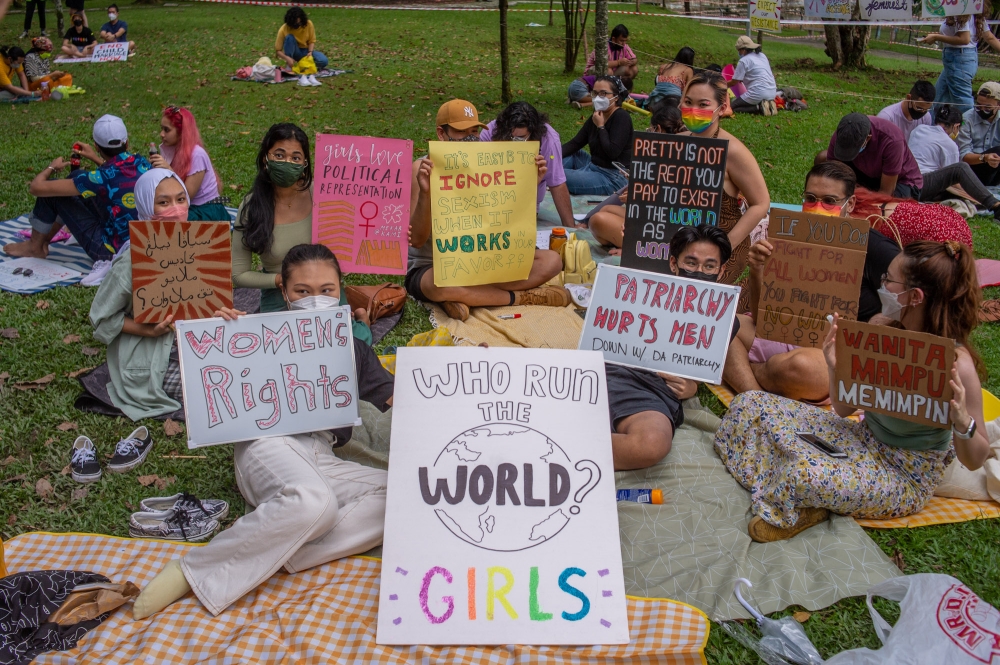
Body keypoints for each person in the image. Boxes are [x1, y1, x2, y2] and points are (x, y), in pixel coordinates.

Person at [131, 243, 396, 620]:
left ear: (340, 290)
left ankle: (280, 550)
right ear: (285, 293)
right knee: (312, 502)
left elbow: (396, 398)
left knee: (400, 497)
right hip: (265, 445)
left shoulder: (353, 349)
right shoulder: (248, 333)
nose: (315, 300)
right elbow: (208, 369)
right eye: (302, 291)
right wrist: (213, 331)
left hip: (323, 452)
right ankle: (192, 571)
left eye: (326, 290)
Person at [716, 239, 989, 542]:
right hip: (859, 440)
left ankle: (801, 498)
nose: (881, 285)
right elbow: (845, 410)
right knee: (751, 404)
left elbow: (976, 459)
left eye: (888, 280)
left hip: (902, 476)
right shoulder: (881, 331)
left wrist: (963, 422)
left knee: (802, 474)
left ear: (914, 296)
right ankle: (807, 491)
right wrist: (836, 367)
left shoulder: (955, 363)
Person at [723, 161, 900, 402]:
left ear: (851, 204)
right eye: (810, 198)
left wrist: (882, 323)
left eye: (829, 201)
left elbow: (914, 298)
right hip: (785, 334)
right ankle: (758, 399)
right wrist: (757, 270)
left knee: (802, 368)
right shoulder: (790, 236)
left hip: (832, 353)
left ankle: (754, 379)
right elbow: (763, 317)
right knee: (718, 326)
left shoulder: (876, 248)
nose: (818, 207)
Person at [406, 99, 568, 322]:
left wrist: (529, 184)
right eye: (462, 132)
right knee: (438, 285)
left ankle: (469, 297)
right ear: (441, 134)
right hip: (435, 266)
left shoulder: (489, 165)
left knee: (552, 261)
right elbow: (416, 239)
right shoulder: (423, 168)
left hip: (483, 262)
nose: (471, 138)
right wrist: (426, 193)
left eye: (474, 131)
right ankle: (519, 298)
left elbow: (509, 222)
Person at [231, 123, 373, 343]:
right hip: (279, 294)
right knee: (282, 347)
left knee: (349, 346)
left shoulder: (324, 194)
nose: (287, 162)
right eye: (279, 154)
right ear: (265, 159)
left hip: (324, 291)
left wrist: (394, 233)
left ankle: (361, 320)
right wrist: (279, 280)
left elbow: (360, 231)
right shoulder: (252, 207)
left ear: (305, 164)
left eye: (296, 157)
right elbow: (238, 275)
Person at [88, 169, 190, 425]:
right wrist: (149, 331)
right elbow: (101, 319)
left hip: (195, 344)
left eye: (181, 199)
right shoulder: (132, 259)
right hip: (152, 355)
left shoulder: (200, 246)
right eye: (163, 202)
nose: (176, 209)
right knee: (208, 387)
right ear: (146, 206)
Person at [4, 115, 150, 267]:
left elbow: (37, 188)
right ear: (127, 143)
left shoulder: (99, 177)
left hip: (111, 253)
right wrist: (95, 158)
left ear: (96, 146)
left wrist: (52, 167)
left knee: (53, 193)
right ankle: (44, 240)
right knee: (77, 175)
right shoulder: (142, 163)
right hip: (140, 245)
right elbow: (115, 176)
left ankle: (34, 247)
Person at [680, 71, 770, 311]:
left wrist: (725, 245)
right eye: (688, 102)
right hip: (680, 241)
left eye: (703, 104)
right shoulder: (676, 143)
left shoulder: (734, 152)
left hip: (724, 245)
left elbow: (761, 203)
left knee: (699, 306)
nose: (693, 109)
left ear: (721, 109)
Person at [588, 105, 683, 251]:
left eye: (650, 129)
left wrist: (637, 198)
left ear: (657, 129)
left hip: (664, 230)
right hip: (650, 220)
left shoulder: (675, 161)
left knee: (597, 220)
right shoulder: (665, 155)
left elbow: (669, 205)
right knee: (606, 210)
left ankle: (638, 250)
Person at [479, 101, 575, 228]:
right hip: (491, 205)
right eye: (509, 137)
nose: (514, 142)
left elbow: (557, 183)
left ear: (533, 132)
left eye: (520, 138)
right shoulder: (489, 132)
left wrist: (571, 227)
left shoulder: (549, 140)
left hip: (526, 207)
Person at [906, 103, 1000, 217]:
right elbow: (954, 182)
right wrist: (974, 195)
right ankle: (994, 204)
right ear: (956, 126)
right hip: (919, 184)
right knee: (961, 168)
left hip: (906, 181)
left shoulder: (919, 129)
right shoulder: (949, 144)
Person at [819, 112, 923, 199]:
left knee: (887, 210)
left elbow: (886, 193)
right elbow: (833, 180)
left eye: (852, 151)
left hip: (900, 181)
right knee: (822, 158)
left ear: (867, 138)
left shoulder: (892, 140)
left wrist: (857, 197)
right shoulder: (842, 133)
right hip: (866, 173)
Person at [150, 106, 227, 221]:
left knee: (164, 220)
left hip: (205, 210)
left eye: (167, 130)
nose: (161, 134)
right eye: (161, 128)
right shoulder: (170, 149)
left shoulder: (197, 154)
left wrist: (169, 170)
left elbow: (186, 196)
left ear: (182, 133)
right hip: (184, 208)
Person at [562, 75, 634, 196]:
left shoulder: (621, 117)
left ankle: (549, 177)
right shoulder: (597, 116)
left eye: (603, 93)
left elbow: (612, 152)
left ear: (616, 97)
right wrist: (549, 158)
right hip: (593, 166)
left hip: (613, 177)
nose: (597, 98)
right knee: (565, 155)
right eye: (595, 93)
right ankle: (547, 172)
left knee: (556, 175)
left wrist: (601, 127)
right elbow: (576, 143)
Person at [921, 14, 1000, 114]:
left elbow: (964, 39)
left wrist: (937, 37)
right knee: (938, 96)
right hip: (964, 59)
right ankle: (931, 125)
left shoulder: (961, 11)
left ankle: (972, 127)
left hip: (958, 60)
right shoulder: (973, 10)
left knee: (963, 103)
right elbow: (989, 37)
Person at [957, 81, 1000, 187]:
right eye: (979, 106)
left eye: (987, 108)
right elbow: (964, 155)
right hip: (972, 168)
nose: (982, 110)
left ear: (998, 105)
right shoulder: (967, 119)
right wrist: (984, 158)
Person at [274, 6, 327, 84]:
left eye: (298, 23)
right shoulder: (284, 29)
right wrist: (287, 58)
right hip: (294, 52)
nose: (296, 26)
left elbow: (311, 41)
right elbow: (278, 50)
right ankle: (290, 65)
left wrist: (310, 52)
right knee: (289, 38)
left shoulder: (309, 24)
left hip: (305, 52)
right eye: (294, 24)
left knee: (323, 60)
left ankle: (303, 66)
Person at [728, 36, 777, 116]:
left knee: (732, 107)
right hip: (772, 92)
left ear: (743, 50)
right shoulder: (762, 55)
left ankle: (758, 108)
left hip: (758, 93)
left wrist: (722, 85)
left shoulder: (743, 61)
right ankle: (767, 104)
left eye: (739, 51)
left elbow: (734, 82)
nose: (739, 53)